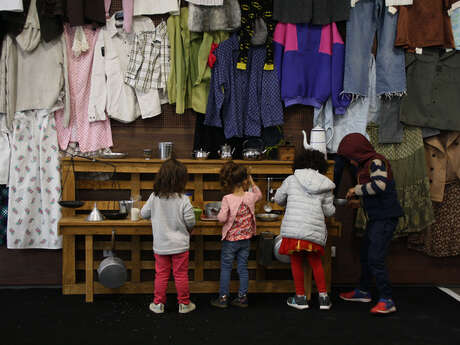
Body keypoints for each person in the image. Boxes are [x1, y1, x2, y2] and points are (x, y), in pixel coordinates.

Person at [337, 133, 404, 315]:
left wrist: (356, 189)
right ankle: (364, 290)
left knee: (375, 258)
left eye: (350, 157)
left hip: (385, 218)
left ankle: (387, 299)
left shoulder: (376, 162)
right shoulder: (365, 165)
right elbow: (377, 196)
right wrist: (359, 202)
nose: (350, 162)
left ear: (357, 153)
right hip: (377, 218)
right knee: (366, 254)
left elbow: (380, 186)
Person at [274, 149, 335, 310]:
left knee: (296, 261)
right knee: (316, 262)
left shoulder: (291, 180)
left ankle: (300, 298)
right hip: (313, 232)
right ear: (321, 165)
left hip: (294, 230)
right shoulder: (325, 184)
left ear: (299, 163)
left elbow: (279, 200)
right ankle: (324, 298)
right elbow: (329, 212)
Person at [141, 158, 196, 314]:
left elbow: (144, 214)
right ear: (181, 180)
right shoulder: (184, 199)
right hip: (180, 245)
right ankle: (184, 304)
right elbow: (190, 220)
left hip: (161, 245)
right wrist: (190, 229)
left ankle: (158, 304)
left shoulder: (154, 197)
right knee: (180, 275)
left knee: (161, 274)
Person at [211, 161, 262, 308]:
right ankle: (242, 298)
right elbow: (259, 194)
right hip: (245, 240)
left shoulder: (227, 198)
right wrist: (251, 181)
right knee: (242, 268)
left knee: (226, 268)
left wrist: (219, 213)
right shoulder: (250, 196)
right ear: (244, 180)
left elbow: (222, 218)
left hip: (230, 241)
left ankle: (223, 298)